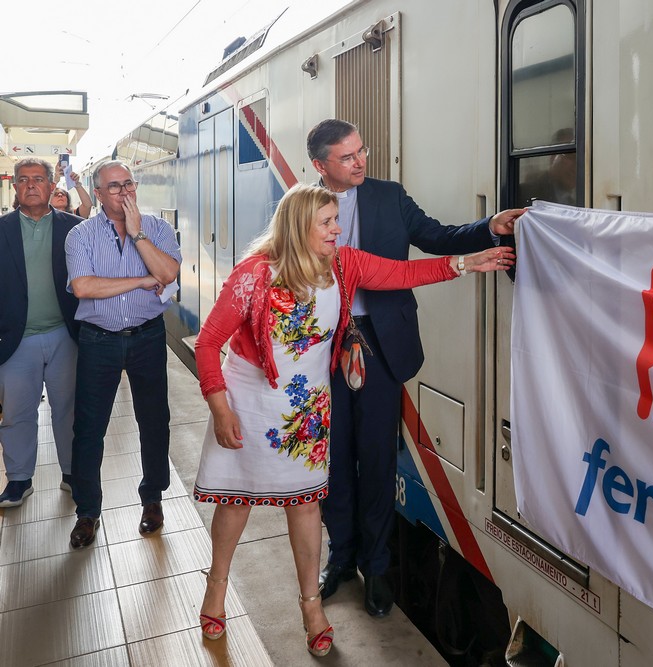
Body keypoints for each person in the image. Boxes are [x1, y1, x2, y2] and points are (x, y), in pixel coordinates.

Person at [192, 183, 514, 656]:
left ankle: (310, 608)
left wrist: (468, 262)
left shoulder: (345, 265)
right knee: (237, 500)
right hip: (249, 400)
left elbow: (404, 273)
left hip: (306, 408)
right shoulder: (254, 276)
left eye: (335, 220)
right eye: (326, 222)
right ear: (299, 226)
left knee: (304, 505)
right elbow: (207, 343)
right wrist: (220, 409)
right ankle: (216, 589)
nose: (337, 229)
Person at [307, 119, 525, 617]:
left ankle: (377, 569)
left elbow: (435, 237)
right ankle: (340, 558)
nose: (360, 161)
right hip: (322, 349)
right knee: (334, 460)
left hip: (382, 343)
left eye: (362, 150)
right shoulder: (302, 206)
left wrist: (489, 227)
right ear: (321, 166)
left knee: (378, 458)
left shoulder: (388, 195)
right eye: (347, 157)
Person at [64, 160, 181, 549]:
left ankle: (153, 499)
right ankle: (88, 510)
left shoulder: (159, 228)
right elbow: (83, 287)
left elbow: (169, 275)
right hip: (100, 340)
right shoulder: (80, 235)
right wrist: (142, 280)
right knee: (90, 427)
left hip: (148, 336)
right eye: (114, 187)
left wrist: (139, 236)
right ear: (97, 194)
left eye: (128, 183)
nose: (124, 192)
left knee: (154, 421)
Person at [0, 158, 82, 507]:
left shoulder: (76, 228)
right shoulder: (1, 229)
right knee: (18, 412)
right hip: (16, 340)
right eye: (23, 180)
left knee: (69, 409)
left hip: (66, 335)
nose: (30, 185)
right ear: (15, 188)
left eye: (38, 179)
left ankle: (72, 472)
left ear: (52, 186)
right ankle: (19, 480)